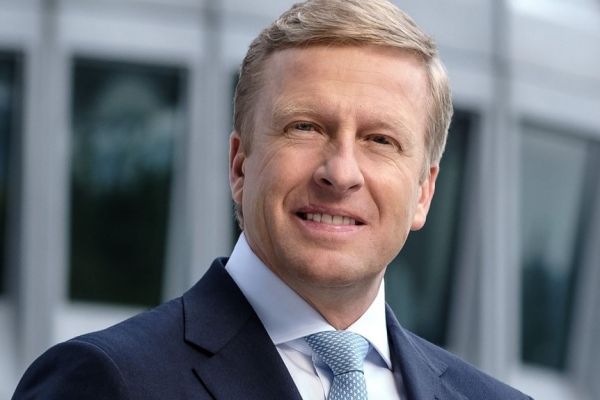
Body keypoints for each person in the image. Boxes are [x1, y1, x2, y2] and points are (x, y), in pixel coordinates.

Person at [13, 1, 532, 399]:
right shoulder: (107, 381)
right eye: (305, 127)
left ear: (423, 192)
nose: (340, 173)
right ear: (240, 165)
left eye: (380, 140)